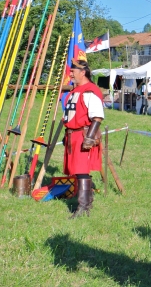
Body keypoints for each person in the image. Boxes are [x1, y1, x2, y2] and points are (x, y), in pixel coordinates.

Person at [62, 59, 105, 219]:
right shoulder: (76, 90)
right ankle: (85, 201)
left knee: (81, 171)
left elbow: (97, 116)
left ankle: (83, 207)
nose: (71, 74)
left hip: (83, 134)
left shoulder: (90, 91)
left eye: (73, 71)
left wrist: (89, 138)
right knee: (77, 170)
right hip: (72, 134)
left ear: (83, 72)